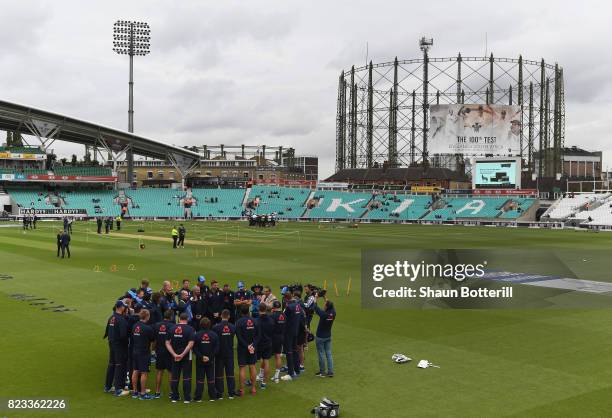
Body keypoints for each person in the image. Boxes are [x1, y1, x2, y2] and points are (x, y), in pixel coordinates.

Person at [165, 312, 195, 403]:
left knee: (175, 376)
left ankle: (175, 397)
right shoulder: (190, 329)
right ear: (187, 319)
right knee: (186, 377)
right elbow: (191, 344)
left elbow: (167, 343)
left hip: (174, 356)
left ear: (179, 319)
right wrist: (182, 354)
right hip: (186, 356)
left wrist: (174, 354)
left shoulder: (172, 328)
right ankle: (187, 398)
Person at [104, 300, 130, 396]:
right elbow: (123, 335)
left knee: (111, 364)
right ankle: (118, 389)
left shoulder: (112, 317)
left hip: (112, 343)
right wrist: (126, 342)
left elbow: (107, 331)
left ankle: (108, 386)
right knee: (119, 365)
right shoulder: (121, 319)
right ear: (121, 307)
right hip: (119, 345)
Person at [193, 317, 219, 402]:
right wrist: (209, 357)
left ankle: (198, 397)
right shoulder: (214, 335)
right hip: (210, 360)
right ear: (209, 325)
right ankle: (212, 396)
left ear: (200, 325)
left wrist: (201, 357)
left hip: (200, 360)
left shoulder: (196, 335)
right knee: (211, 378)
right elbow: (216, 348)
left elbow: (194, 348)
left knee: (200, 379)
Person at [212, 309, 236, 399]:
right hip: (229, 353)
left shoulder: (216, 327)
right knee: (230, 373)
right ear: (229, 316)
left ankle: (219, 393)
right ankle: (231, 393)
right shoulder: (233, 327)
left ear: (221, 316)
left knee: (219, 373)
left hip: (219, 353)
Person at [131, 309, 154, 400]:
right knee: (144, 372)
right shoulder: (148, 328)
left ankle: (135, 392)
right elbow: (152, 340)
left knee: (135, 370)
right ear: (147, 317)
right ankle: (143, 394)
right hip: (144, 352)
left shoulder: (134, 326)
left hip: (135, 351)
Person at [235, 305, 259, 396]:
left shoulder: (239, 322)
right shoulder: (255, 321)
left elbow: (239, 336)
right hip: (252, 347)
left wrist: (247, 346)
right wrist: (253, 345)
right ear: (249, 311)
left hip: (242, 348)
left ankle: (242, 390)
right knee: (252, 366)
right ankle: (253, 388)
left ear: (241, 312)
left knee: (242, 368)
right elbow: (258, 335)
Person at [281, 291, 303, 381]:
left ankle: (291, 373)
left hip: (288, 332)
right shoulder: (298, 305)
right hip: (296, 331)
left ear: (286, 299)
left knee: (289, 352)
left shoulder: (289, 307)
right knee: (295, 350)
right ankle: (297, 370)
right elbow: (302, 316)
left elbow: (283, 319)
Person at [152, 310, 174, 399]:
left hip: (159, 351)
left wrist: (153, 350)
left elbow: (154, 340)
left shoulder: (157, 325)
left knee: (159, 371)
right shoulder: (172, 326)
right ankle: (172, 392)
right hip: (169, 351)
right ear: (171, 317)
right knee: (170, 372)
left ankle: (157, 391)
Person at [313, 296, 336, 378]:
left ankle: (322, 372)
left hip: (320, 337)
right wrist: (324, 297)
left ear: (326, 306)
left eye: (325, 305)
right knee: (329, 353)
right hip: (328, 336)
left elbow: (315, 306)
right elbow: (330, 304)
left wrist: (315, 298)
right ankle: (330, 372)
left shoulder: (323, 314)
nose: (323, 306)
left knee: (321, 354)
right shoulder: (333, 312)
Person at [255, 304, 274, 389]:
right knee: (266, 361)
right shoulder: (271, 320)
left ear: (259, 309)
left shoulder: (257, 321)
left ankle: (254, 380)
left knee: (253, 363)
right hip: (268, 342)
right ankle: (264, 382)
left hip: (259, 344)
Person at [270, 300, 286, 383]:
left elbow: (270, 327)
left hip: (273, 337)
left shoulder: (272, 316)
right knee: (278, 356)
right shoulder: (283, 314)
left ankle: (261, 375)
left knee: (265, 357)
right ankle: (276, 377)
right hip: (281, 336)